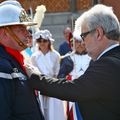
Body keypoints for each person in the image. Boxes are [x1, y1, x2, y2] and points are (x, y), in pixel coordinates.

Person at [27, 4, 120, 120]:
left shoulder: (108, 64)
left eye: (83, 36)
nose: (82, 42)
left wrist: (35, 78)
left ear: (98, 33)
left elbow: (75, 89)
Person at [0, 0, 44, 120]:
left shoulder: (16, 60)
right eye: (21, 29)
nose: (27, 33)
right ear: (4, 33)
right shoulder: (2, 66)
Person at [31, 30, 66, 120]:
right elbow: (33, 73)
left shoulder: (55, 55)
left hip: (52, 85)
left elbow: (56, 73)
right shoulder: (34, 57)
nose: (42, 43)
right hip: (40, 86)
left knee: (53, 111)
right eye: (39, 41)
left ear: (49, 41)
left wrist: (49, 85)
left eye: (44, 40)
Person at [58, 31, 91, 120]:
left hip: (89, 93)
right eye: (77, 42)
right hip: (73, 94)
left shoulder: (93, 58)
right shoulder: (67, 58)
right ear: (72, 43)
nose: (79, 44)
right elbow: (60, 77)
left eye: (81, 42)